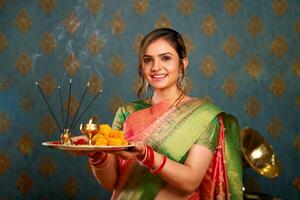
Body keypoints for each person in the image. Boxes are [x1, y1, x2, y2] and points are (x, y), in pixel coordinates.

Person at [85, 28, 243, 200]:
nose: (155, 67)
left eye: (166, 58)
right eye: (148, 60)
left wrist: (147, 155)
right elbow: (111, 182)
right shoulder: (127, 113)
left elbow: (191, 181)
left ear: (183, 64)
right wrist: (96, 153)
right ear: (141, 66)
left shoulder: (203, 116)